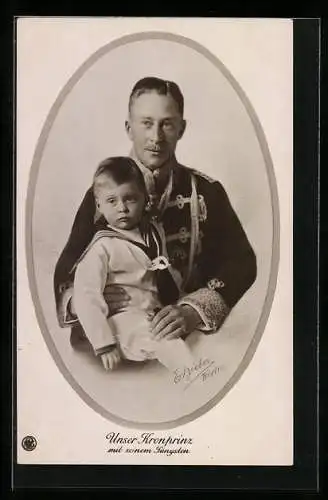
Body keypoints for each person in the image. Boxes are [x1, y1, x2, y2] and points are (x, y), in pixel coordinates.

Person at [54, 76, 257, 348]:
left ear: (181, 129)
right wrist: (81, 301)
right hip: (114, 339)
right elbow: (67, 269)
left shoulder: (208, 192)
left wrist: (193, 312)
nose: (156, 137)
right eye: (146, 123)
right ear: (129, 128)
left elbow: (241, 263)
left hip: (187, 339)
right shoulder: (102, 196)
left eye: (167, 124)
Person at [73, 156, 194, 371]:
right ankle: (194, 380)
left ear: (145, 199)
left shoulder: (152, 232)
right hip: (121, 320)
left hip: (148, 313)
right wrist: (104, 344)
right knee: (171, 346)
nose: (122, 208)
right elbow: (86, 295)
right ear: (98, 204)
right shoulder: (102, 246)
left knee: (181, 340)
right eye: (112, 201)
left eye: (130, 199)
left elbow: (165, 272)